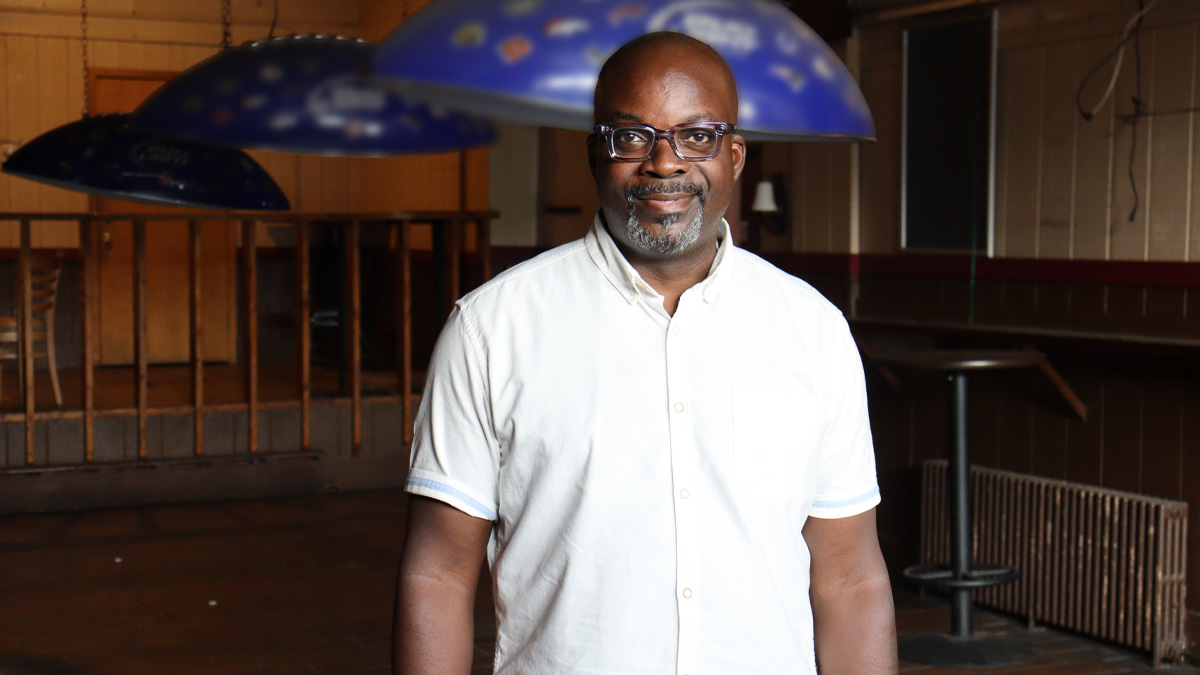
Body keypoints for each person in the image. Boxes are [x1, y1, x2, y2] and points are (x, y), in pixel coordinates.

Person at [393, 32, 898, 675]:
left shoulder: (813, 330)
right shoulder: (492, 329)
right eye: (631, 137)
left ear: (735, 156)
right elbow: (437, 572)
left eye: (697, 136)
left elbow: (850, 577)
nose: (664, 162)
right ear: (595, 155)